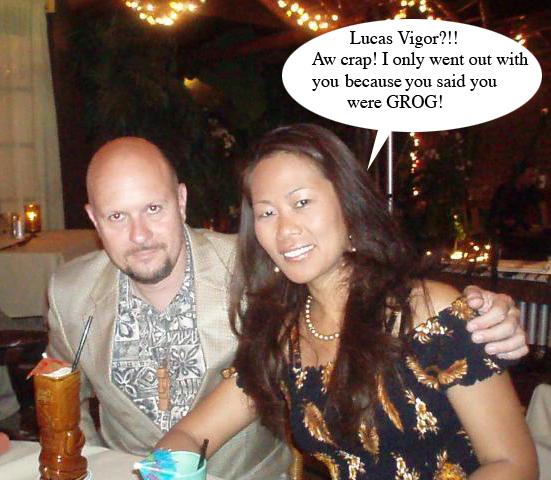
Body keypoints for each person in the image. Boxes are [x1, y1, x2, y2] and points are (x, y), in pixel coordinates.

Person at [46, 136, 524, 479]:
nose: (285, 229)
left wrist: (493, 309)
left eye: (302, 202)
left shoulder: (430, 311)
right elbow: (191, 434)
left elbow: (514, 464)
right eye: (268, 213)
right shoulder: (286, 336)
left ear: (346, 204)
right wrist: (164, 472)